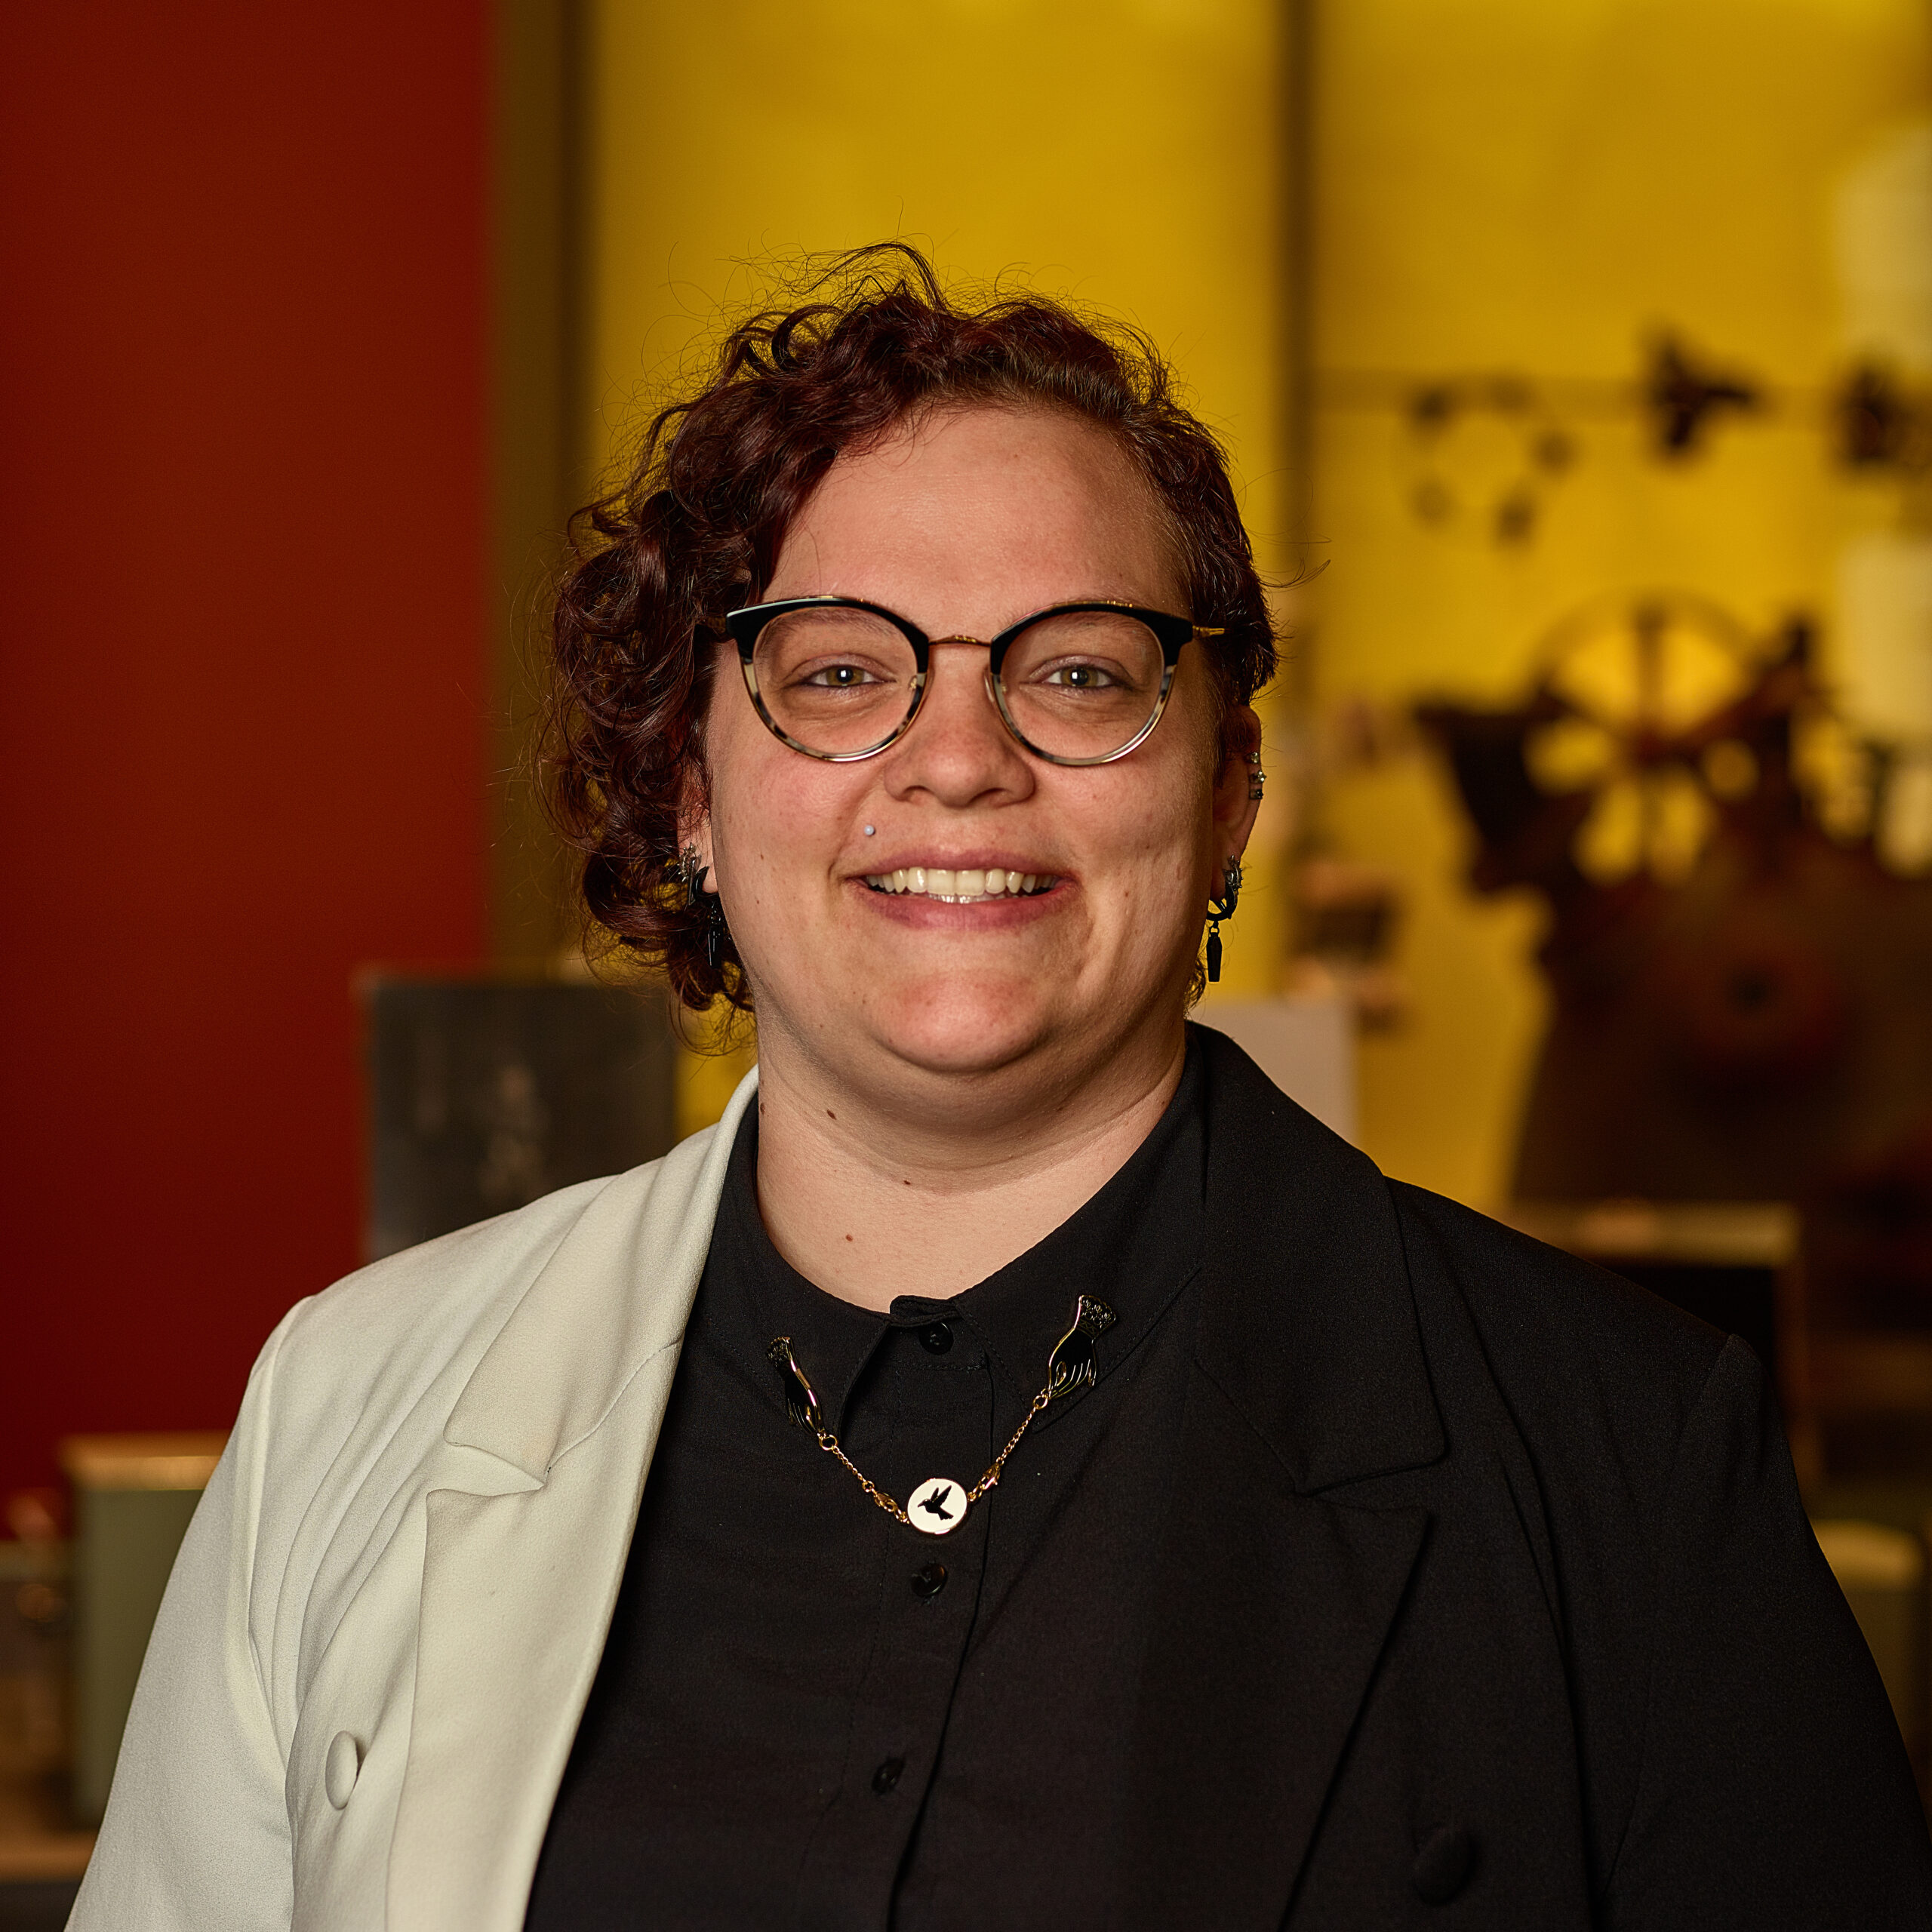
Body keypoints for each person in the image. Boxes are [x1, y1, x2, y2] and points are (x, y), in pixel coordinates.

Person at [72, 246, 1931, 1932]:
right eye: (833, 672)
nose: (957, 759)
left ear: (1225, 793)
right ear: (690, 795)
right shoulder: (354, 1401)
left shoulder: (1617, 1453)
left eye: (1079, 672)